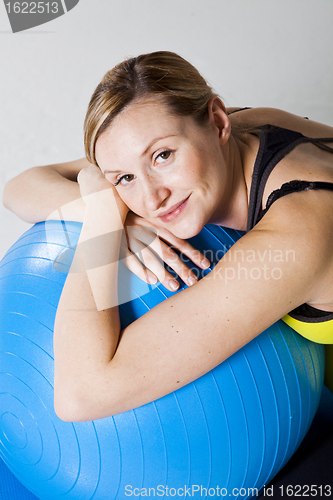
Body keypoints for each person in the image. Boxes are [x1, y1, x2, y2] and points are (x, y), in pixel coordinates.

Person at [3, 51, 333, 423]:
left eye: (162, 156)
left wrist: (103, 221)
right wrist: (114, 214)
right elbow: (19, 187)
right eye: (124, 179)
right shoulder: (242, 129)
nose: (151, 199)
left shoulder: (298, 233)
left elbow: (80, 394)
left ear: (218, 121)